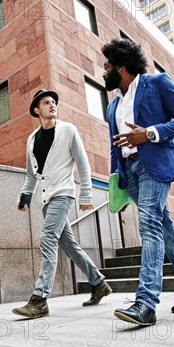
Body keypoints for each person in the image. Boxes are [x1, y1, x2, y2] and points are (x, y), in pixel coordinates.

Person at [101, 39, 174, 326]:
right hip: (130, 171)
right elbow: (115, 147)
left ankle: (146, 303)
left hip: (156, 164)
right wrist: (118, 179)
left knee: (148, 226)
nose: (103, 72)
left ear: (121, 67)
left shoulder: (157, 83)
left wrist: (150, 133)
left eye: (107, 66)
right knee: (165, 231)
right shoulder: (113, 107)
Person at [12, 89, 112, 319]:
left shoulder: (68, 130)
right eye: (46, 102)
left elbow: (82, 163)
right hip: (45, 198)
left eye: (54, 102)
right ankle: (98, 283)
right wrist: (25, 196)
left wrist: (86, 194)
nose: (52, 105)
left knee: (47, 238)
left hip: (64, 193)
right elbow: (31, 174)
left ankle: (39, 299)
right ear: (37, 110)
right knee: (68, 245)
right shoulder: (32, 139)